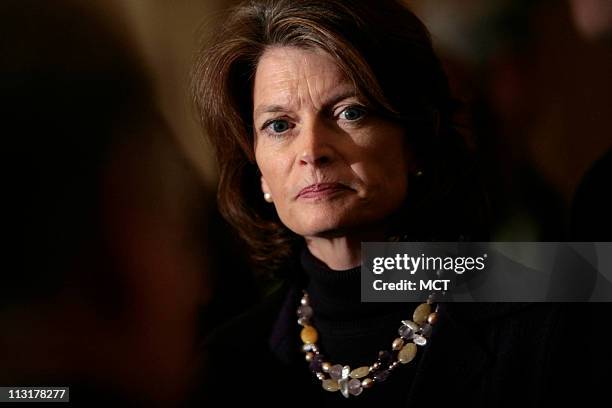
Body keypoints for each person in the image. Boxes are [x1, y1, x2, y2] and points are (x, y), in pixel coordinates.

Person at [189, 0, 609, 406]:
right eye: (279, 125)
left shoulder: (539, 309)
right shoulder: (224, 364)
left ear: (416, 141)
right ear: (260, 170)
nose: (312, 150)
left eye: (349, 113)